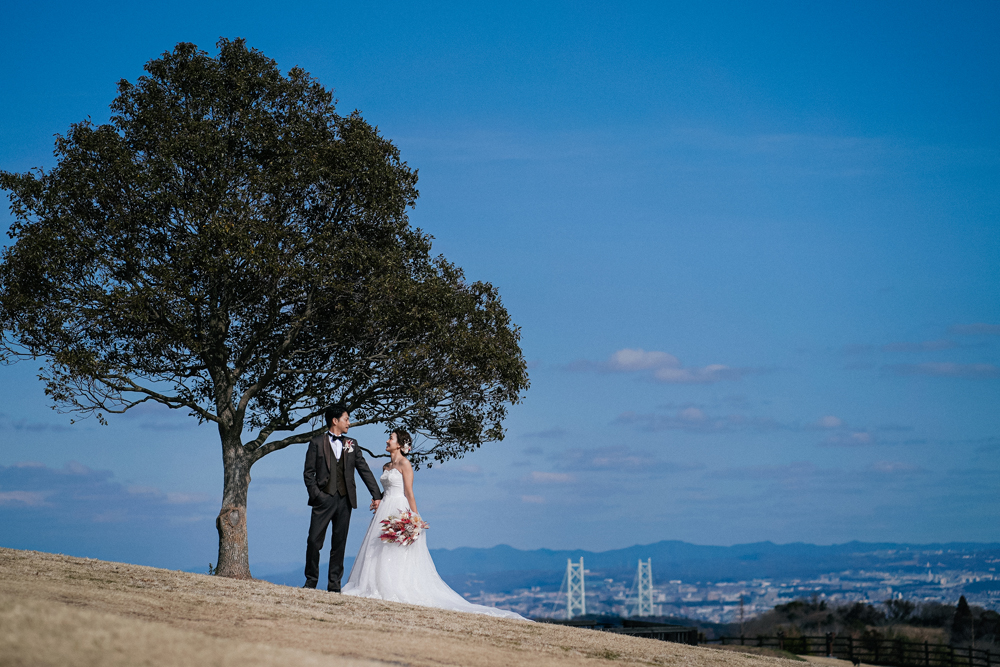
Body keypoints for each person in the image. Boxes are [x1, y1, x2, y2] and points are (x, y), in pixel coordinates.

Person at [342, 429, 527, 620]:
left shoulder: (405, 464)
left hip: (399, 508)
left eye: (391, 438)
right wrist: (378, 500)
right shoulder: (386, 465)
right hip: (384, 510)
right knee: (379, 547)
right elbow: (386, 491)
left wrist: (415, 520)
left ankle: (394, 586)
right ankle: (375, 585)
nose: (387, 440)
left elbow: (409, 492)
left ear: (400, 444)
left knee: (396, 550)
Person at [302, 404, 383, 592]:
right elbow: (308, 474)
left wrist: (376, 495)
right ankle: (310, 581)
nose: (349, 423)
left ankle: (334, 585)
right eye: (346, 419)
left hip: (345, 500)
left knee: (339, 544)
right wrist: (317, 495)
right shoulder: (316, 443)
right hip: (323, 499)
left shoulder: (352, 444)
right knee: (314, 541)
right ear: (335, 421)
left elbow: (364, 470)